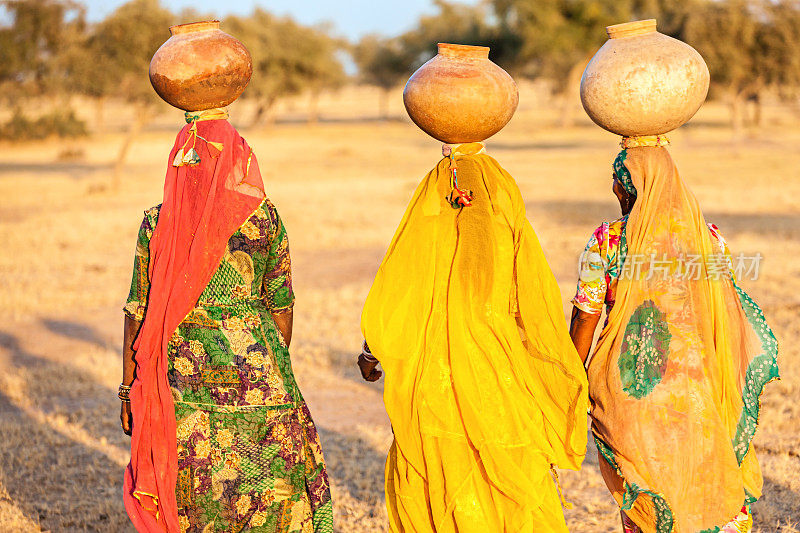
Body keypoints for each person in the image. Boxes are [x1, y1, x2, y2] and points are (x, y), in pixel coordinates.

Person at [120, 108, 332, 532]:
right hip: (261, 377)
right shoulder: (263, 218)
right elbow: (282, 305)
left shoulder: (158, 222)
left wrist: (129, 388)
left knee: (195, 497)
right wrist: (263, 364)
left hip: (181, 382)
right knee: (271, 492)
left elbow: (136, 314)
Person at [359, 142, 589, 532]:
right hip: (499, 370)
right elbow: (530, 305)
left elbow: (402, 286)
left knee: (443, 461)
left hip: (435, 374)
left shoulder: (431, 216)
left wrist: (371, 351)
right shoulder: (504, 217)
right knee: (501, 460)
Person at [569, 137, 779, 533]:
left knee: (649, 498)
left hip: (632, 390)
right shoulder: (708, 239)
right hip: (699, 393)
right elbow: (726, 314)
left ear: (628, 185)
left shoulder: (607, 241)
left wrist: (568, 377)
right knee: (708, 487)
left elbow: (585, 317)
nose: (614, 187)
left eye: (618, 179)